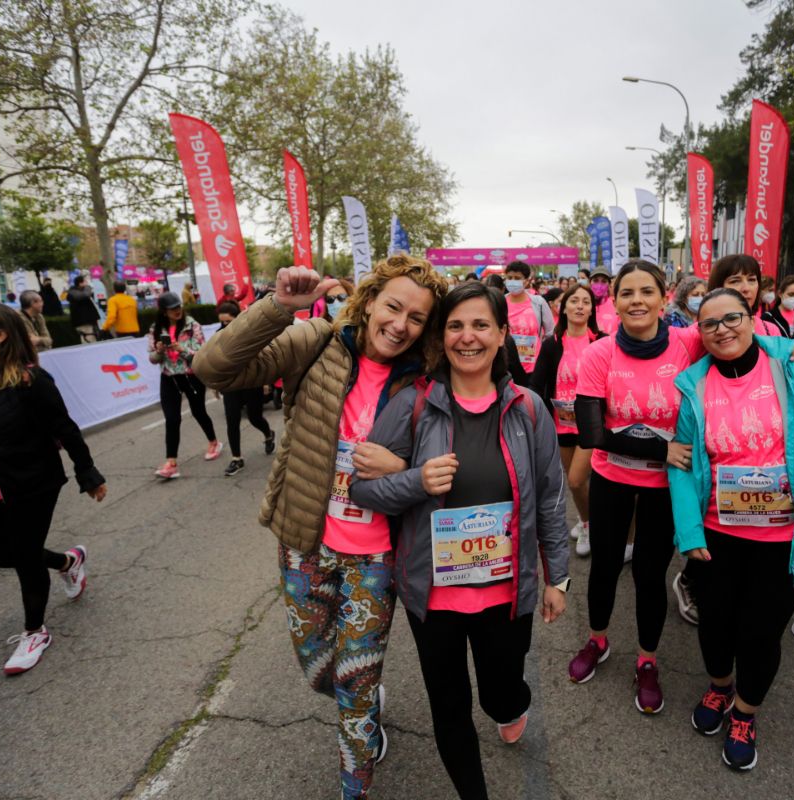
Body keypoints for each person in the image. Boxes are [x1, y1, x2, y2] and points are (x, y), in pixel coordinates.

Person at [193, 256, 447, 800]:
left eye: (418, 318)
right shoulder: (316, 340)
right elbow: (213, 369)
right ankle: (363, 698)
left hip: (377, 558)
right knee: (317, 670)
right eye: (394, 307)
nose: (401, 325)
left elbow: (443, 464)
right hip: (305, 541)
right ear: (371, 300)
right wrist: (278, 308)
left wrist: (403, 471)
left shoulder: (428, 380)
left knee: (355, 683)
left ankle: (356, 779)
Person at [349, 281, 569, 800]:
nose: (467, 337)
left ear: (501, 334)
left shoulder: (529, 408)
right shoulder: (413, 404)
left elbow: (551, 498)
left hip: (505, 591)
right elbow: (362, 486)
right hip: (434, 595)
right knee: (449, 707)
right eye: (454, 326)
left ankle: (510, 704)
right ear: (441, 336)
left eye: (479, 325)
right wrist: (416, 479)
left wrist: (557, 575)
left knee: (499, 695)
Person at [670, 288, 794, 771]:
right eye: (709, 323)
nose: (722, 330)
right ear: (699, 331)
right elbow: (680, 462)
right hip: (718, 532)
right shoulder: (693, 383)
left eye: (731, 318)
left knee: (759, 633)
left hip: (784, 539)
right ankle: (719, 689)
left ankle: (745, 712)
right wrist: (690, 531)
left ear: (752, 318)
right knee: (714, 624)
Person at [0, 303, 106, 674]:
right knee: (2, 557)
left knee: (25, 557)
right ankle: (67, 562)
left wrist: (87, 472)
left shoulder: (30, 380)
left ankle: (35, 632)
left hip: (32, 485)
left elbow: (65, 429)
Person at [566, 259, 696, 715]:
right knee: (603, 565)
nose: (637, 300)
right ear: (614, 301)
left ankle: (646, 660)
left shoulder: (688, 344)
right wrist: (659, 451)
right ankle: (597, 640)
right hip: (612, 477)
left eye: (647, 291)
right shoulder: (598, 354)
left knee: (648, 573)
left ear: (665, 297)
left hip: (665, 487)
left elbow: (746, 343)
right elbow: (592, 433)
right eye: (627, 293)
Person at [530, 283, 600, 558]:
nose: (580, 306)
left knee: (575, 480)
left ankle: (588, 524)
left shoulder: (602, 340)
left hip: (591, 425)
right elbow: (537, 383)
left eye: (586, 301)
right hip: (561, 423)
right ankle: (588, 519)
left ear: (592, 308)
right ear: (563, 307)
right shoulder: (552, 345)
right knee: (576, 482)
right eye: (574, 301)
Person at [148, 292, 220, 478]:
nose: (177, 310)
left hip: (191, 376)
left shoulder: (191, 325)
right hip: (169, 378)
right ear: (164, 311)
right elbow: (153, 359)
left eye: (178, 306)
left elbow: (202, 353)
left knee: (199, 412)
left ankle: (214, 442)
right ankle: (171, 463)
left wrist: (183, 350)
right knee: (172, 419)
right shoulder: (155, 329)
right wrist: (159, 351)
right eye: (172, 308)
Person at [213, 301, 275, 477]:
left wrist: (264, 382)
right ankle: (236, 458)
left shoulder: (250, 333)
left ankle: (268, 434)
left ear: (238, 317)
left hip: (251, 382)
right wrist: (217, 383)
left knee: (255, 418)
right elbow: (216, 362)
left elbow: (261, 359)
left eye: (227, 321)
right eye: (222, 322)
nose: (224, 325)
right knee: (232, 421)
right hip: (230, 385)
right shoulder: (219, 335)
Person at [707, 255, 783, 337]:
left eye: (751, 280)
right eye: (735, 281)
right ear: (718, 287)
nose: (746, 288)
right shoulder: (698, 332)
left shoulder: (771, 330)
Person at [502, 260, 555, 376]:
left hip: (534, 368)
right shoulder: (500, 302)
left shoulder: (538, 303)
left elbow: (550, 332)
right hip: (506, 366)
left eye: (517, 278)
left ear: (526, 281)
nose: (512, 281)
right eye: (509, 277)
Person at [67, 275, 100, 344]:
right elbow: (85, 295)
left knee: (91, 338)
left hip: (87, 321)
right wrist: (88, 287)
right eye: (85, 281)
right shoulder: (75, 293)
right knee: (89, 339)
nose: (87, 283)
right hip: (84, 322)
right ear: (80, 283)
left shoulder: (78, 292)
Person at [588, 267, 619, 334]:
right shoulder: (583, 304)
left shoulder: (616, 305)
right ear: (590, 283)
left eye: (604, 281)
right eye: (595, 281)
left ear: (609, 285)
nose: (599, 285)